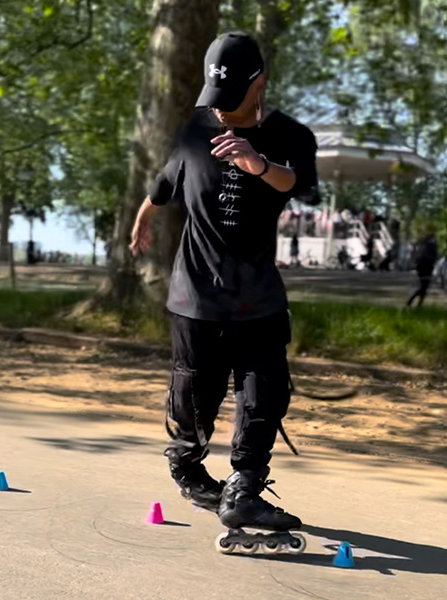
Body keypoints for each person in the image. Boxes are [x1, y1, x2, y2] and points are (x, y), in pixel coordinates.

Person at [129, 32, 318, 532]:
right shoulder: (194, 129)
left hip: (257, 297)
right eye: (216, 102)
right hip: (195, 295)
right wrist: (145, 214)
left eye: (232, 102)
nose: (223, 114)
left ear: (260, 83)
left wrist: (257, 163)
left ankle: (244, 489)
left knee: (264, 395)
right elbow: (167, 180)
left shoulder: (292, 136)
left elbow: (296, 182)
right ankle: (188, 468)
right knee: (195, 398)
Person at [406, 232, 438, 307]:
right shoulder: (431, 246)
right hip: (426, 268)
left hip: (421, 268)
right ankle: (412, 301)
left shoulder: (422, 245)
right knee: (424, 287)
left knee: (424, 287)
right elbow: (433, 257)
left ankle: (418, 303)